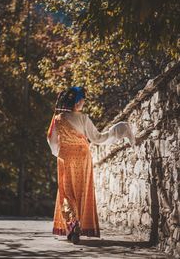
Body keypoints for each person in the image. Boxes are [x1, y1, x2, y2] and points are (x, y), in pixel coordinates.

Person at [47, 86, 135, 244]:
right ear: (78, 102)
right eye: (83, 101)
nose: (83, 104)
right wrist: (117, 130)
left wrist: (59, 152)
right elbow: (98, 138)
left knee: (66, 193)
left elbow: (51, 141)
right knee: (82, 192)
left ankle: (72, 224)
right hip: (83, 158)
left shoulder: (57, 119)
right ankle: (79, 223)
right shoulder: (83, 118)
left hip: (65, 158)